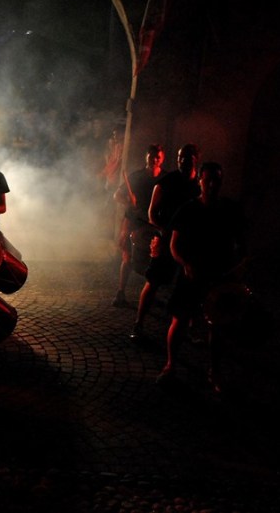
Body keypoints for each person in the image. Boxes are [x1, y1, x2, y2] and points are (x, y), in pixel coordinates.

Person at [155, 162, 247, 394]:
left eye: (217, 180)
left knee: (217, 326)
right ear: (200, 181)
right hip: (191, 275)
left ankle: (214, 371)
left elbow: (242, 242)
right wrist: (185, 264)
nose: (213, 185)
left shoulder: (228, 210)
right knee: (180, 320)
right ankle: (170, 364)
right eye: (208, 180)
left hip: (218, 276)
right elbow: (174, 244)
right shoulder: (188, 209)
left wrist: (238, 267)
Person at [130, 144, 201, 340]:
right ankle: (139, 323)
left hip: (190, 245)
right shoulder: (167, 182)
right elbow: (152, 213)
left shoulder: (199, 185)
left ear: (196, 159)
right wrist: (164, 232)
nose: (182, 161)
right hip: (167, 240)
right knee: (153, 282)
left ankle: (191, 328)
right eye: (179, 157)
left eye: (186, 158)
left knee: (192, 287)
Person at [112, 144, 165, 307]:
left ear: (161, 159)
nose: (154, 159)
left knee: (153, 261)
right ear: (146, 157)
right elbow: (117, 195)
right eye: (151, 156)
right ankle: (121, 292)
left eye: (157, 157)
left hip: (153, 225)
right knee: (127, 258)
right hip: (133, 223)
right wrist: (129, 201)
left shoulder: (165, 179)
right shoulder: (137, 177)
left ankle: (150, 292)